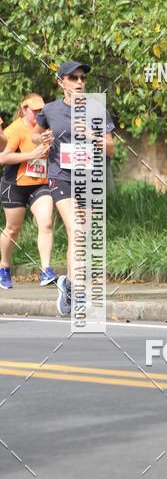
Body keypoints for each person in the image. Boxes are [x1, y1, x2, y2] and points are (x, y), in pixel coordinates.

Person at [32, 61, 115, 315]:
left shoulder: (96, 109)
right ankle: (79, 293)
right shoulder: (50, 110)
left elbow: (111, 148)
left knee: (80, 235)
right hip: (61, 176)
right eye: (73, 77)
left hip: (88, 177)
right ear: (61, 82)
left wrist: (92, 135)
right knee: (76, 229)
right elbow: (35, 134)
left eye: (82, 78)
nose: (79, 82)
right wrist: (41, 138)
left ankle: (68, 283)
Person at [0, 94, 56, 289]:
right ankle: (4, 266)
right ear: (24, 109)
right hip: (15, 185)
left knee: (46, 222)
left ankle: (46, 269)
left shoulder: (46, 128)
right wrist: (30, 155)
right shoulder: (15, 129)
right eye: (35, 110)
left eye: (42, 110)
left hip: (40, 184)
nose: (39, 114)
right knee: (12, 229)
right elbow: (2, 158)